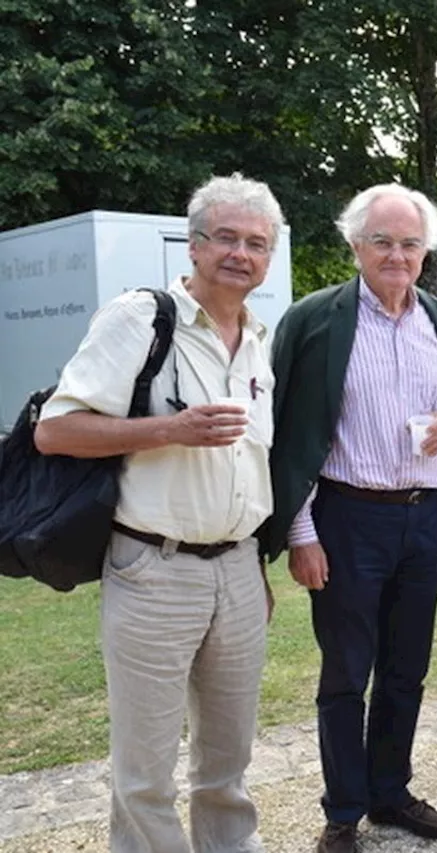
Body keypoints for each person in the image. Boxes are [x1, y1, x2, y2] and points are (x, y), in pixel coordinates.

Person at [33, 173, 283, 853]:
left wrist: (254, 567)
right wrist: (165, 430)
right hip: (153, 567)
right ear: (195, 246)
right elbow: (55, 431)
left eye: (255, 242)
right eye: (225, 237)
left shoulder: (259, 341)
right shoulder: (141, 318)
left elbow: (249, 469)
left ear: (270, 254)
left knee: (228, 765)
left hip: (235, 569)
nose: (240, 253)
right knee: (146, 772)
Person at [260, 184, 437, 853]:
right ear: (355, 244)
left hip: (422, 519)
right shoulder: (316, 320)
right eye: (383, 241)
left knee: (405, 669)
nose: (398, 254)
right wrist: (300, 532)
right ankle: (343, 810)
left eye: (411, 243)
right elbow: (289, 433)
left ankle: (390, 792)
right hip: (346, 518)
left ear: (427, 251)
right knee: (345, 674)